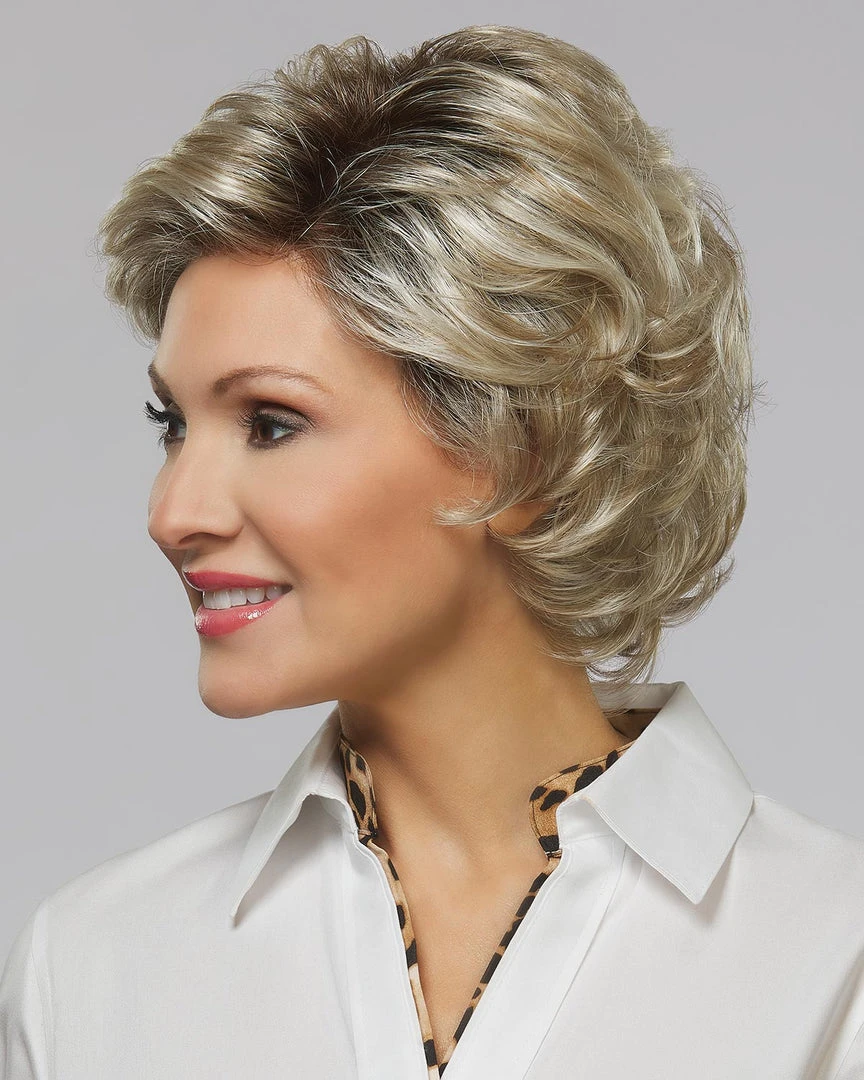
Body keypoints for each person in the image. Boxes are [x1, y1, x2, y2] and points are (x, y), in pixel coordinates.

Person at [2, 23, 863, 1079]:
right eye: (172, 425)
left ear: (520, 450)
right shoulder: (98, 966)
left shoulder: (833, 962)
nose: (172, 511)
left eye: (270, 423)